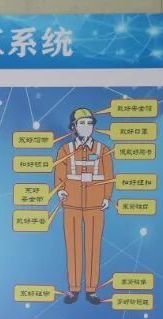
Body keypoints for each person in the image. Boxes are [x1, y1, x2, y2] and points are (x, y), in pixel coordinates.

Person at [54, 108, 114, 305]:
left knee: (93, 246)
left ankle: (91, 290)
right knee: (73, 246)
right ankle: (73, 288)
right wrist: (60, 191)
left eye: (89, 123)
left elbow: (108, 176)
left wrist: (107, 197)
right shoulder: (65, 150)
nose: (86, 127)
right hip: (71, 204)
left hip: (95, 205)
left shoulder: (103, 150)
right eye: (82, 123)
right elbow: (59, 174)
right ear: (73, 126)